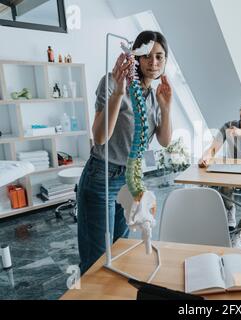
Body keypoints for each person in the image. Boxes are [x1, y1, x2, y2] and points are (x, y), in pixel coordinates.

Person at [77, 31, 173, 274]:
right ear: (136, 57)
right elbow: (99, 137)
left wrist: (166, 107)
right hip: (102, 177)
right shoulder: (111, 82)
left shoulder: (153, 94)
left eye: (160, 57)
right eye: (148, 56)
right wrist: (119, 93)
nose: (154, 63)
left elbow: (164, 140)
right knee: (97, 260)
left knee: (119, 251)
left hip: (130, 180)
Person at [199, 95, 241, 248]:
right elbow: (213, 148)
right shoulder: (228, 125)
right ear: (240, 110)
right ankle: (230, 209)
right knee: (225, 185)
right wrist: (205, 158)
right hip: (232, 170)